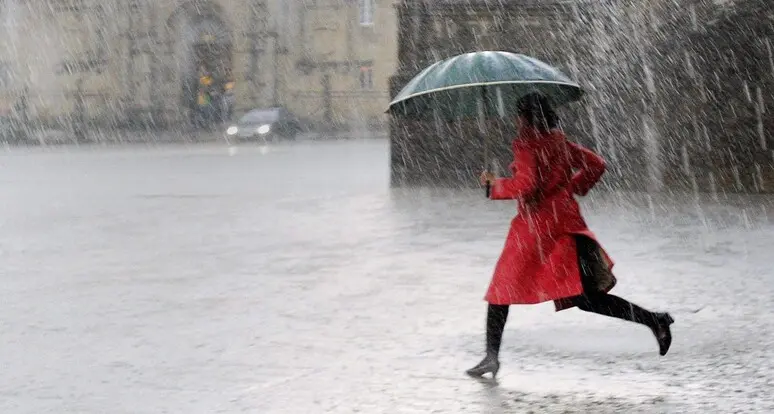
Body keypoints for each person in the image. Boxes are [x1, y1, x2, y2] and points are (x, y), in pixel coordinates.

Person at [466, 93, 674, 379]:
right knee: (586, 298)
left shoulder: (526, 144)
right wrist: (571, 188)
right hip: (565, 224)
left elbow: (527, 185)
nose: (515, 121)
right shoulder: (558, 141)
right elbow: (596, 164)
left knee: (501, 290)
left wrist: (494, 186)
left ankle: (491, 356)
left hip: (536, 231)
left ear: (525, 117)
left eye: (518, 115)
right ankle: (654, 320)